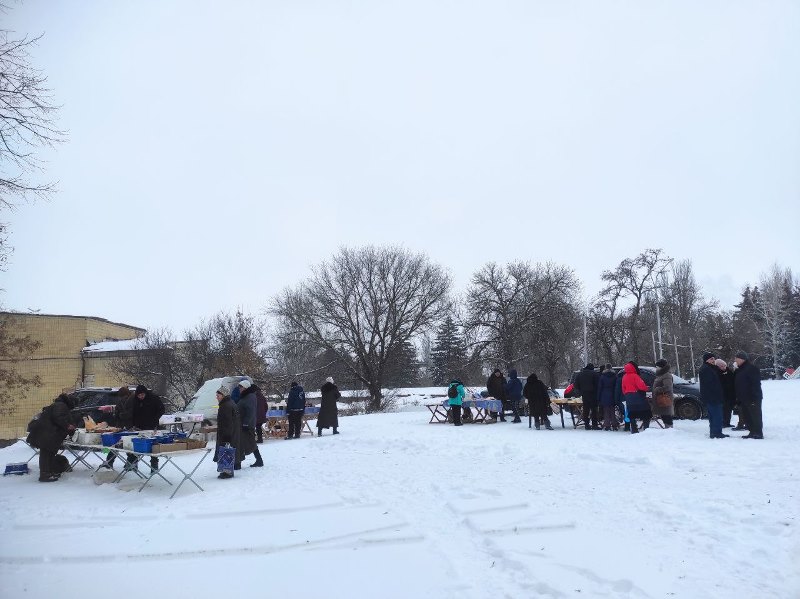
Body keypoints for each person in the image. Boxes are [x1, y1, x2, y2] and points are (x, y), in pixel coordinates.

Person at [26, 393, 76, 482]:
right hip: (47, 434)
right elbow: (58, 417)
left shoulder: (59, 404)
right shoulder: (61, 405)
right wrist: (67, 426)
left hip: (47, 434)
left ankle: (49, 472)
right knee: (46, 455)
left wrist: (69, 428)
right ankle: (45, 475)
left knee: (49, 454)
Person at [131, 384, 166, 471]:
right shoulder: (135, 401)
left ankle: (154, 466)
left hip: (152, 426)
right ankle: (134, 464)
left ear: (145, 393)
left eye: (142, 395)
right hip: (140, 427)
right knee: (137, 446)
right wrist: (134, 424)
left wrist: (155, 417)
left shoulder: (154, 398)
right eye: (139, 395)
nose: (141, 397)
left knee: (153, 446)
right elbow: (134, 414)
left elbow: (162, 409)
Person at [733, 350, 764, 439]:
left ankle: (758, 433)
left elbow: (755, 384)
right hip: (743, 398)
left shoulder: (751, 368)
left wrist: (754, 398)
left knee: (755, 416)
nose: (735, 360)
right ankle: (752, 431)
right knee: (747, 416)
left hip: (752, 398)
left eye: (737, 358)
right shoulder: (739, 370)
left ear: (742, 359)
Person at [213, 385, 241, 478]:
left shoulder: (225, 406)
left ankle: (227, 472)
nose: (216, 397)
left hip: (227, 434)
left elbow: (227, 423)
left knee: (226, 451)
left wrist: (226, 437)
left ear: (223, 395)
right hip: (232, 433)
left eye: (218, 395)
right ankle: (227, 471)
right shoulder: (230, 403)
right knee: (228, 452)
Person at [698, 352, 728, 439]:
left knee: (714, 416)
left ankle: (715, 432)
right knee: (716, 415)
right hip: (713, 397)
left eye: (714, 359)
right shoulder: (706, 369)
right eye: (711, 359)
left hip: (712, 396)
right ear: (706, 360)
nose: (713, 360)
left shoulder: (710, 368)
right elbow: (710, 384)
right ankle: (716, 433)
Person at [236, 379, 264, 466]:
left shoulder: (249, 396)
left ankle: (258, 461)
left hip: (247, 425)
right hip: (244, 423)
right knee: (246, 442)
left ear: (245, 388)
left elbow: (250, 412)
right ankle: (258, 460)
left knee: (250, 442)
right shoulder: (246, 396)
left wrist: (246, 423)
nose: (239, 389)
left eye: (241, 387)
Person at [621, 362, 650, 434]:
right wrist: (646, 388)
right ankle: (646, 428)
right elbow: (641, 386)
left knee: (632, 414)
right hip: (638, 396)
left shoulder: (624, 377)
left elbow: (623, 388)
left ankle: (634, 429)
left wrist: (627, 394)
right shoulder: (635, 376)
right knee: (646, 412)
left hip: (629, 397)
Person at [574, 363, 600, 430]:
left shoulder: (580, 374)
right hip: (593, 394)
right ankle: (594, 425)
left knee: (586, 410)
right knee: (594, 410)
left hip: (584, 394)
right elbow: (598, 384)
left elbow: (576, 384)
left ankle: (586, 424)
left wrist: (580, 391)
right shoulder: (594, 374)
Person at [651, 358, 675, 428]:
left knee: (666, 416)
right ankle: (668, 429)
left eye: (658, 367)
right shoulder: (661, 375)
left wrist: (657, 389)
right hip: (660, 398)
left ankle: (670, 430)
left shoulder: (666, 375)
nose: (656, 368)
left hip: (665, 398)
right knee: (664, 415)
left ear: (662, 367)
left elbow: (668, 387)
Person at [597, 364, 618, 431]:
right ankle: (614, 425)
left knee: (606, 411)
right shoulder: (614, 376)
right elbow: (616, 386)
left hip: (604, 394)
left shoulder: (602, 377)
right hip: (612, 394)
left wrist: (598, 397)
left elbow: (600, 387)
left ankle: (607, 425)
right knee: (612, 410)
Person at [716, 359, 736, 428]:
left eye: (724, 366)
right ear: (718, 367)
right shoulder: (717, 373)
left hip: (730, 394)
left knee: (729, 410)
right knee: (723, 410)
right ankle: (723, 423)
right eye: (721, 366)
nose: (724, 367)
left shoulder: (729, 371)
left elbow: (733, 380)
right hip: (722, 395)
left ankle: (727, 422)